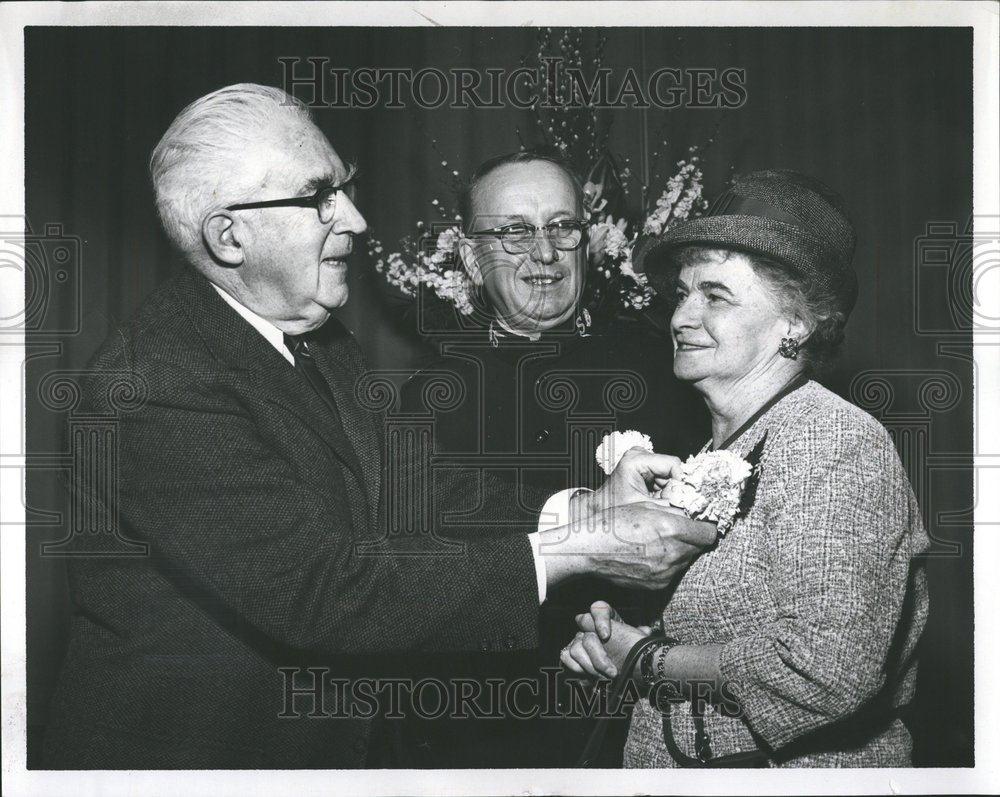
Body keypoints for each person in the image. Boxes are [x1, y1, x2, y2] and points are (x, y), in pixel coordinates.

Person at [40, 84, 717, 769]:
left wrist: (581, 507)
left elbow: (411, 484)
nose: (358, 220)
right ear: (229, 234)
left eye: (348, 189)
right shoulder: (155, 385)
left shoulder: (318, 338)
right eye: (319, 198)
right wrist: (580, 549)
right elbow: (324, 592)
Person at [562, 169, 930, 767]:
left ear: (796, 323)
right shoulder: (721, 448)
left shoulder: (831, 441)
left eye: (715, 295)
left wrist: (645, 659)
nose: (681, 317)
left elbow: (828, 668)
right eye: (681, 294)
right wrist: (612, 639)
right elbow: (720, 618)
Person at [397, 149, 709, 767]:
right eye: (514, 231)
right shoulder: (426, 399)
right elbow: (419, 575)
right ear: (469, 255)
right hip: (485, 720)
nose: (544, 252)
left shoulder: (667, 364)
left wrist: (651, 649)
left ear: (585, 242)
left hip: (645, 710)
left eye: (561, 226)